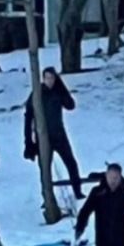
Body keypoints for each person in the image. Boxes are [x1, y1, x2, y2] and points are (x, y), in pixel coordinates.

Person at [24, 67, 84, 200]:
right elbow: (28, 117)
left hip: (59, 134)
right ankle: (47, 196)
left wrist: (62, 88)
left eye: (52, 78)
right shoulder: (37, 93)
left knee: (71, 163)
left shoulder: (58, 91)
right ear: (43, 79)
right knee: (45, 168)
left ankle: (77, 191)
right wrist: (28, 141)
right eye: (47, 78)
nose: (49, 81)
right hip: (43, 137)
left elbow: (70, 105)